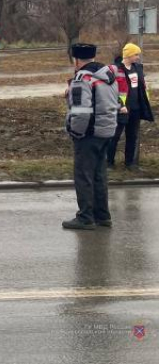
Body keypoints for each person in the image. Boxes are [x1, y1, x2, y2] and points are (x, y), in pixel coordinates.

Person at [63, 43, 119, 230]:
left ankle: (85, 217)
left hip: (88, 133)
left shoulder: (82, 78)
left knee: (83, 175)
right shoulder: (107, 75)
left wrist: (75, 132)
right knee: (99, 175)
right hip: (107, 130)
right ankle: (102, 215)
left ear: (76, 60)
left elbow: (81, 111)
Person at [107, 43, 153, 171]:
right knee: (114, 137)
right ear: (128, 55)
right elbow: (109, 91)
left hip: (136, 109)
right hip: (121, 109)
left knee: (132, 136)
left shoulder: (137, 68)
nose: (138, 57)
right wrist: (120, 105)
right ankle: (109, 163)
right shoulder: (114, 69)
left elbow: (142, 88)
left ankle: (130, 164)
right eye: (136, 54)